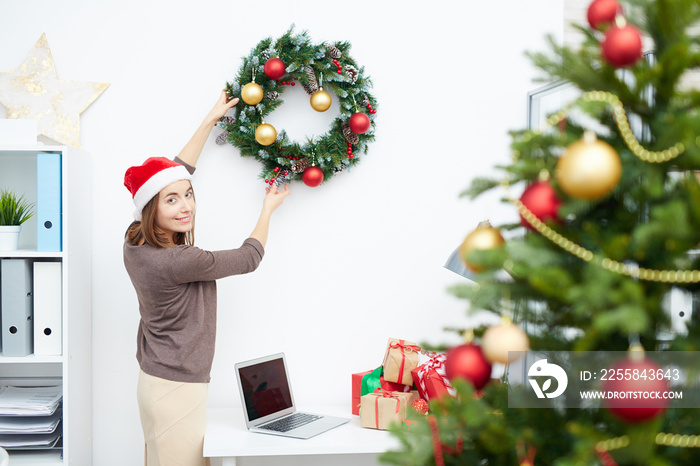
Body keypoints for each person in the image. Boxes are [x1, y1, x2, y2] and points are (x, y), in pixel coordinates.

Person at [122, 90, 290, 466]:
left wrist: (210, 119)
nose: (186, 206)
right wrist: (268, 209)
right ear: (151, 207)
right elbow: (249, 258)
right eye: (172, 200)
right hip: (177, 388)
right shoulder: (180, 261)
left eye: (188, 195)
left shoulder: (134, 239)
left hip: (153, 379)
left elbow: (176, 170)